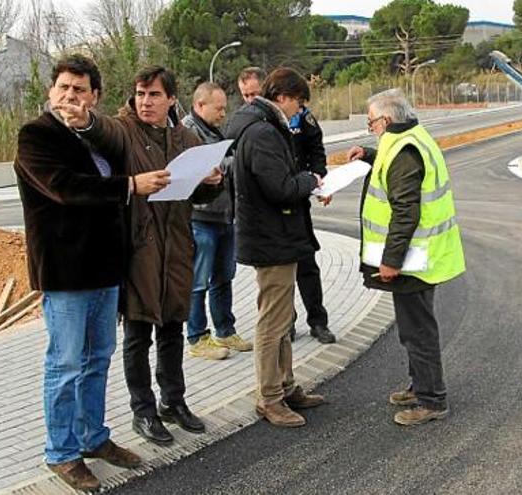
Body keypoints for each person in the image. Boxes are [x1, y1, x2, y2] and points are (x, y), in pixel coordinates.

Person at [15, 54, 168, 491]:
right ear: (50, 92)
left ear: (95, 97)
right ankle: (61, 452)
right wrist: (129, 186)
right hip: (65, 272)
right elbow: (65, 188)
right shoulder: (35, 136)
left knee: (98, 358)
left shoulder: (100, 138)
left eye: (80, 89)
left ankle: (93, 437)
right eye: (64, 87)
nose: (70, 96)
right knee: (64, 364)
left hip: (105, 269)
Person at [65, 66, 223, 446]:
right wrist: (85, 119)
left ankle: (174, 401)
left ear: (171, 99)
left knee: (172, 329)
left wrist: (211, 183)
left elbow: (194, 195)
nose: (145, 102)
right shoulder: (124, 129)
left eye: (154, 95)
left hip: (178, 248)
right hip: (139, 251)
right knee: (138, 335)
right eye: (140, 94)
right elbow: (101, 130)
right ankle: (144, 411)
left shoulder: (185, 137)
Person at [347, 89, 465, 426]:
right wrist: (369, 155)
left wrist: (391, 259)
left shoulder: (403, 150)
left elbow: (405, 212)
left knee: (418, 330)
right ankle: (420, 386)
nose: (372, 129)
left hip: (415, 259)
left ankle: (432, 400)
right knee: (414, 327)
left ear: (385, 120)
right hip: (421, 255)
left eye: (371, 124)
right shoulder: (407, 136)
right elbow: (394, 167)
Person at [225, 67, 326, 427]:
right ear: (282, 97)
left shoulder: (262, 128)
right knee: (272, 322)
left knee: (282, 318)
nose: (299, 113)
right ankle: (269, 397)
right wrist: (310, 180)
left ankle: (285, 385)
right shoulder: (263, 133)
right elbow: (279, 187)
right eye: (298, 104)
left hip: (276, 236)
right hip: (271, 238)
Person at [183, 82, 253, 360]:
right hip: (201, 217)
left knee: (224, 276)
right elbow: (197, 168)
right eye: (219, 108)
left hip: (224, 216)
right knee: (199, 280)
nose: (224, 114)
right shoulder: (189, 131)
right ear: (200, 105)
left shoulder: (213, 130)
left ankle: (225, 330)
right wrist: (234, 162)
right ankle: (198, 336)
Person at [288, 91, 336, 344]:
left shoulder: (303, 118)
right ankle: (287, 323)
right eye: (246, 94)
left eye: (254, 92)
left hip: (299, 201)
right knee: (281, 272)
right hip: (273, 210)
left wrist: (320, 184)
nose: (250, 98)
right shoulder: (256, 121)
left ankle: (318, 322)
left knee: (307, 265)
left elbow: (317, 152)